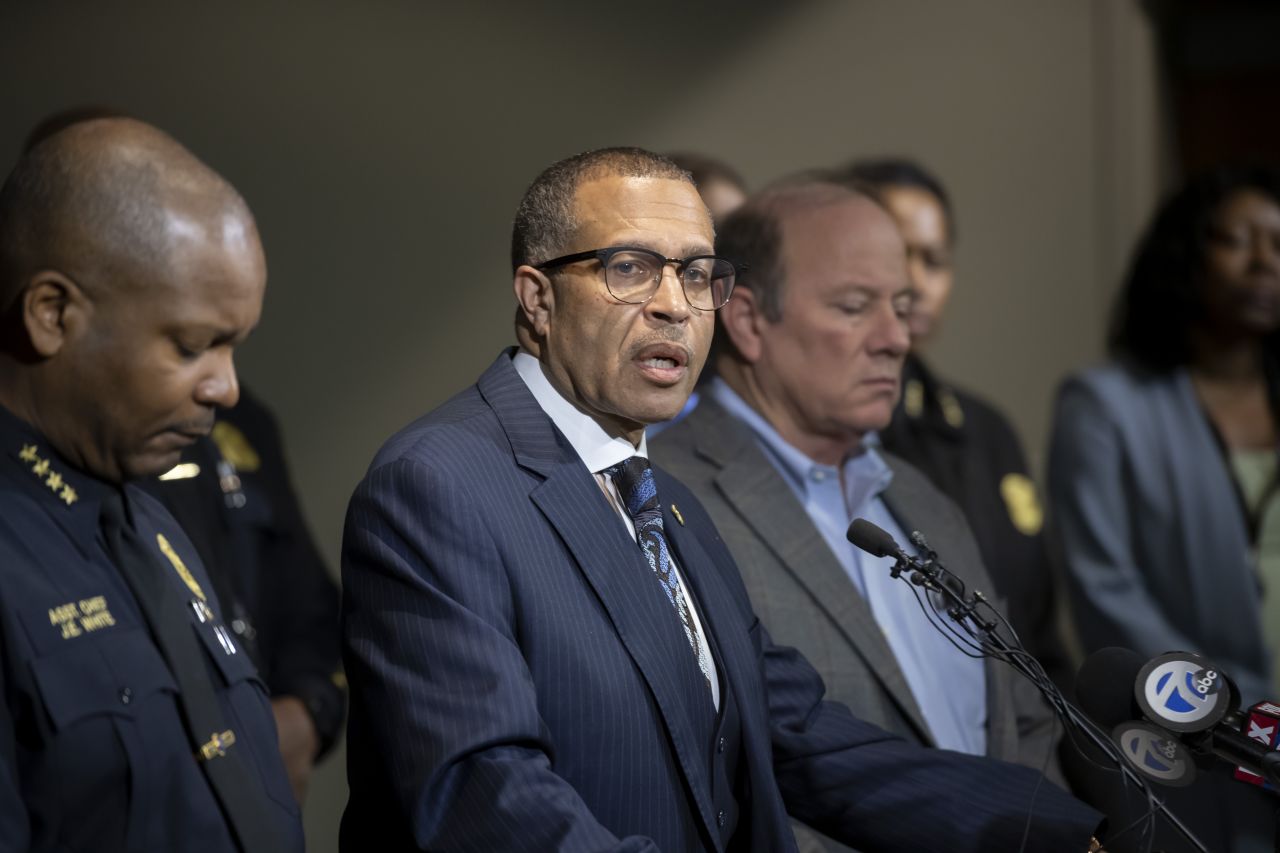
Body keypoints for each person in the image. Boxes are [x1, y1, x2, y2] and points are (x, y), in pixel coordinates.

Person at [341, 146, 1104, 852]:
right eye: (632, 268)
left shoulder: (662, 498)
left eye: (698, 273)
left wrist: (1074, 834)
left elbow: (800, 736)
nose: (675, 304)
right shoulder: (438, 482)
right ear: (538, 299)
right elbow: (485, 795)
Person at [651, 177, 1066, 852]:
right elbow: (707, 787)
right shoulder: (665, 498)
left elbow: (1027, 723)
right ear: (749, 321)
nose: (896, 339)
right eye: (854, 307)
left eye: (901, 307)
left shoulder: (924, 496)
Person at [0, 118, 303, 851]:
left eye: (236, 346)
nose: (226, 388)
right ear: (53, 314)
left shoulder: (149, 520)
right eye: (193, 345)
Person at [1049, 165, 1280, 853]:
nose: (1265, 260)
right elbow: (1105, 588)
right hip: (1197, 744)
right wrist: (1250, 720)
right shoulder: (1105, 404)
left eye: (1278, 241)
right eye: (1238, 240)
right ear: (1186, 255)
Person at [840, 158, 1070, 684]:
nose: (916, 283)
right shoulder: (828, 429)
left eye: (935, 260)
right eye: (898, 255)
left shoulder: (984, 428)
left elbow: (1037, 630)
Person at [142, 386, 346, 803]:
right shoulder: (101, 442)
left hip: (265, 780)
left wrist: (306, 712)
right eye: (191, 342)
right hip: (168, 783)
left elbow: (311, 602)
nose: (224, 382)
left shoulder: (243, 420)